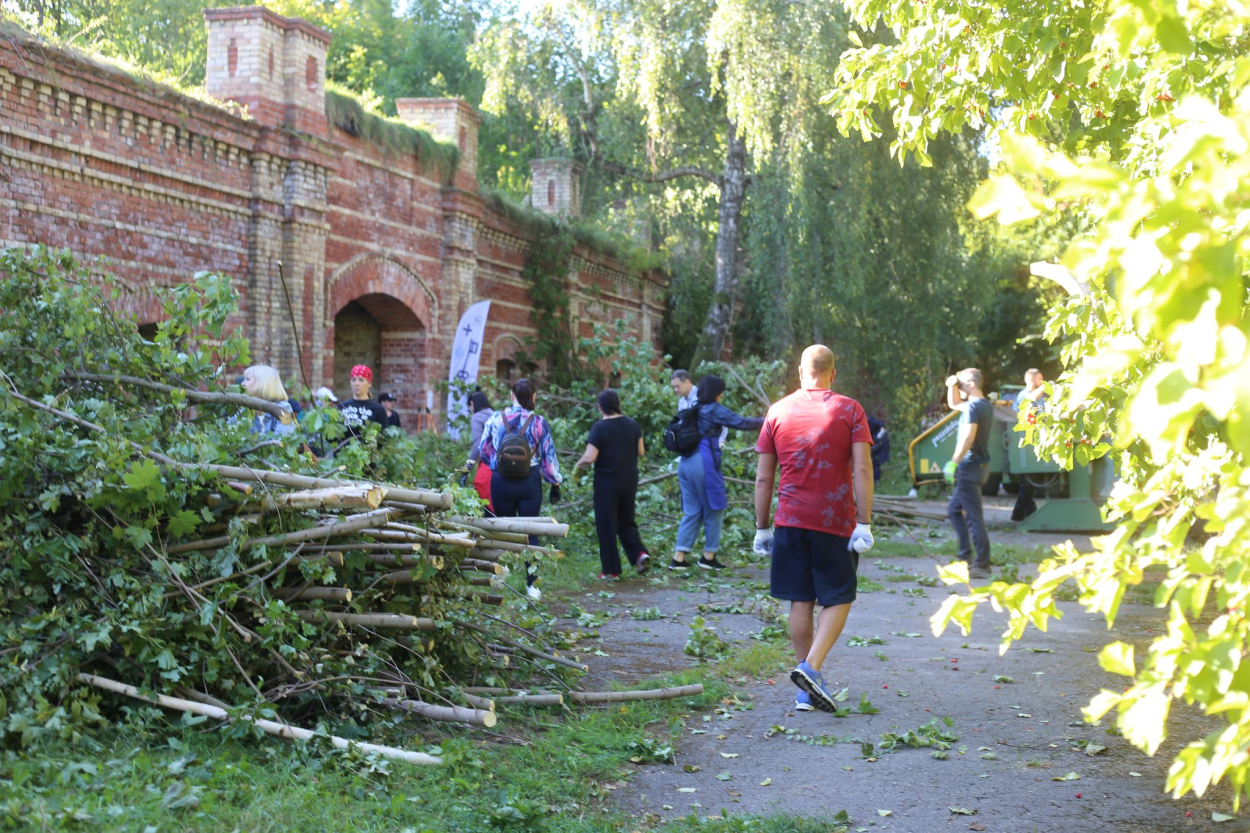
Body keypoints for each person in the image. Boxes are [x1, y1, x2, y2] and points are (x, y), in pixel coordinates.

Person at [752, 345, 874, 713]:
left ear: (800, 371)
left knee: (800, 600)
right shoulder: (850, 409)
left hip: (789, 521)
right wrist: (864, 522)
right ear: (832, 373)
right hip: (834, 522)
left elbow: (763, 477)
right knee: (839, 597)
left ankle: (806, 690)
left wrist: (761, 528)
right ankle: (810, 669)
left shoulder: (778, 411)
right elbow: (863, 470)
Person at [478, 379, 563, 600]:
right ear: (532, 397)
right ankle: (532, 586)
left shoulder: (496, 418)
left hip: (501, 481)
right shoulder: (538, 422)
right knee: (530, 532)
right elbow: (548, 457)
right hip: (530, 482)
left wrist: (497, 465)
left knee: (501, 530)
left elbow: (483, 449)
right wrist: (555, 483)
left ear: (511, 395)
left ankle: (498, 578)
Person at [672, 375, 764, 571]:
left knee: (692, 510)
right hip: (703, 462)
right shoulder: (713, 409)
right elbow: (742, 423)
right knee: (716, 506)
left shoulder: (695, 407)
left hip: (685, 463)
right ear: (715, 392)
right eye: (721, 391)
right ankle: (708, 556)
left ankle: (678, 558)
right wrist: (771, 418)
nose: (722, 394)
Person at [575, 389, 651, 579]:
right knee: (626, 520)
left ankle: (611, 570)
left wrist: (578, 465)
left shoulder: (599, 427)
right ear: (618, 403)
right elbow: (641, 451)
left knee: (607, 524)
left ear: (600, 407)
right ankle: (639, 553)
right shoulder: (633, 424)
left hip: (607, 481)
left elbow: (590, 457)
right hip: (630, 478)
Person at [944, 368, 993, 579]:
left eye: (962, 383)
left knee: (974, 518)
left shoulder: (974, 407)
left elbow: (967, 438)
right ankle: (966, 557)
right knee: (955, 510)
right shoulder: (983, 405)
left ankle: (982, 565)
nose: (960, 387)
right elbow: (954, 403)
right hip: (979, 468)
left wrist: (953, 463)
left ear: (972, 384)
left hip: (969, 468)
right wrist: (951, 385)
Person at [1011, 368, 1047, 521]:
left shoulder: (1041, 397)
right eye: (1040, 379)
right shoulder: (1025, 396)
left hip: (1035, 439)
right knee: (1028, 481)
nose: (1042, 382)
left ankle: (1018, 513)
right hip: (1025, 441)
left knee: (1029, 482)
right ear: (1032, 381)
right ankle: (1031, 513)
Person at [239, 365, 298, 436]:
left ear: (263, 383)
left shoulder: (284, 407)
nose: (242, 383)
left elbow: (283, 441)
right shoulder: (244, 409)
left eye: (248, 379)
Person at [338, 365, 389, 442]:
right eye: (353, 380)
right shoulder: (341, 406)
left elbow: (384, 439)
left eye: (361, 380)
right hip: (342, 452)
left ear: (369, 384)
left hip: (367, 453)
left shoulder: (378, 409)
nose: (356, 383)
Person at [465, 391, 495, 510]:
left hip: (488, 465)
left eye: (469, 408)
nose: (470, 411)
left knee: (485, 500)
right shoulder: (495, 414)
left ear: (472, 404)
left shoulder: (476, 417)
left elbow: (478, 444)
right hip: (503, 465)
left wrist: (467, 467)